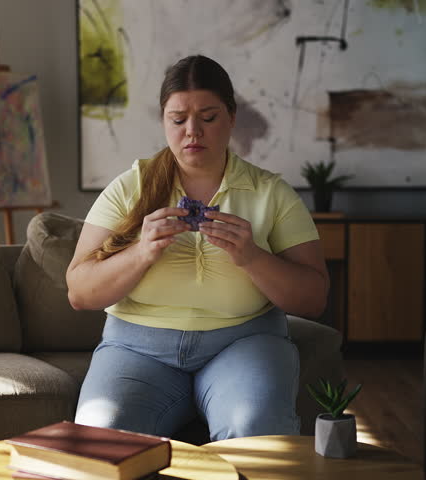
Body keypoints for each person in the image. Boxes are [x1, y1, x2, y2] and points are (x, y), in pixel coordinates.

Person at [66, 55, 329, 441]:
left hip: (244, 344)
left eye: (208, 118)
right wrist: (141, 252)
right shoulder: (129, 188)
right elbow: (78, 291)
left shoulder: (272, 193)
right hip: (137, 350)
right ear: (163, 122)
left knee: (255, 429)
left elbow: (314, 299)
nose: (193, 132)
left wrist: (252, 257)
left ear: (232, 117)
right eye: (178, 120)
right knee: (100, 436)